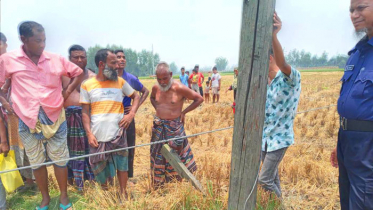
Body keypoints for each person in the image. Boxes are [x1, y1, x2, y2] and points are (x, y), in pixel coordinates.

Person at [0, 21, 84, 210]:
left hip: (55, 115)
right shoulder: (8, 60)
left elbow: (77, 72)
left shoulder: (55, 58)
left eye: (44, 40)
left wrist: (67, 91)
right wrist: (5, 102)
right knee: (36, 161)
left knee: (60, 159)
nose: (42, 45)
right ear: (23, 39)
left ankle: (63, 197)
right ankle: (45, 198)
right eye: (38, 41)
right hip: (26, 119)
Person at [330, 1, 373, 209]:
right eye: (351, 10)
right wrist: (340, 144)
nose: (354, 15)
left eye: (361, 8)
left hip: (368, 146)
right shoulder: (357, 54)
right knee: (347, 202)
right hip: (347, 142)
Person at [81, 49, 140, 197]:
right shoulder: (87, 85)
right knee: (99, 168)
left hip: (118, 133)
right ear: (101, 64)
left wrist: (131, 114)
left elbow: (136, 96)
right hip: (97, 135)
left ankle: (123, 193)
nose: (117, 65)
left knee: (122, 165)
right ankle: (106, 195)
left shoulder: (120, 82)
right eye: (113, 62)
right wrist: (89, 134)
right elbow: (85, 113)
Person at [258, 13, 301, 199]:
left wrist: (274, 36)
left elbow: (282, 63)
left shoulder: (290, 79)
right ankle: (275, 205)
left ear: (268, 58)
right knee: (273, 179)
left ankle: (280, 206)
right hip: (265, 139)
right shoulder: (263, 84)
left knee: (264, 180)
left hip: (279, 139)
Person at [149, 61, 203, 187]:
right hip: (159, 128)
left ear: (171, 74)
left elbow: (199, 98)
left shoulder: (179, 88)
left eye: (165, 78)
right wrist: (157, 108)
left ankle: (176, 184)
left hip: (174, 128)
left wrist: (183, 112)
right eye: (159, 79)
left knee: (177, 156)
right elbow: (152, 98)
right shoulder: (155, 88)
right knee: (157, 155)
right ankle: (159, 184)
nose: (162, 82)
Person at [0, 33, 36, 194]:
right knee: (12, 145)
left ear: (5, 44)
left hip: (22, 108)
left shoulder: (14, 61)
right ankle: (20, 179)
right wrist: (5, 102)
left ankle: (32, 180)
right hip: (8, 112)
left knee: (27, 142)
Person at [62, 45, 95, 191]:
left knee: (92, 150)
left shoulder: (93, 77)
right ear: (69, 58)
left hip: (89, 118)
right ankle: (72, 182)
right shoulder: (62, 76)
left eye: (83, 57)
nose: (80, 60)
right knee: (69, 152)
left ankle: (92, 181)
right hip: (68, 120)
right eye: (76, 57)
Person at [115, 49, 149, 179]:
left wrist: (135, 108)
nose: (122, 59)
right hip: (112, 117)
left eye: (123, 57)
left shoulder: (130, 78)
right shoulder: (108, 78)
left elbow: (145, 91)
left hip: (127, 117)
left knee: (129, 146)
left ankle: (129, 177)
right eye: (118, 57)